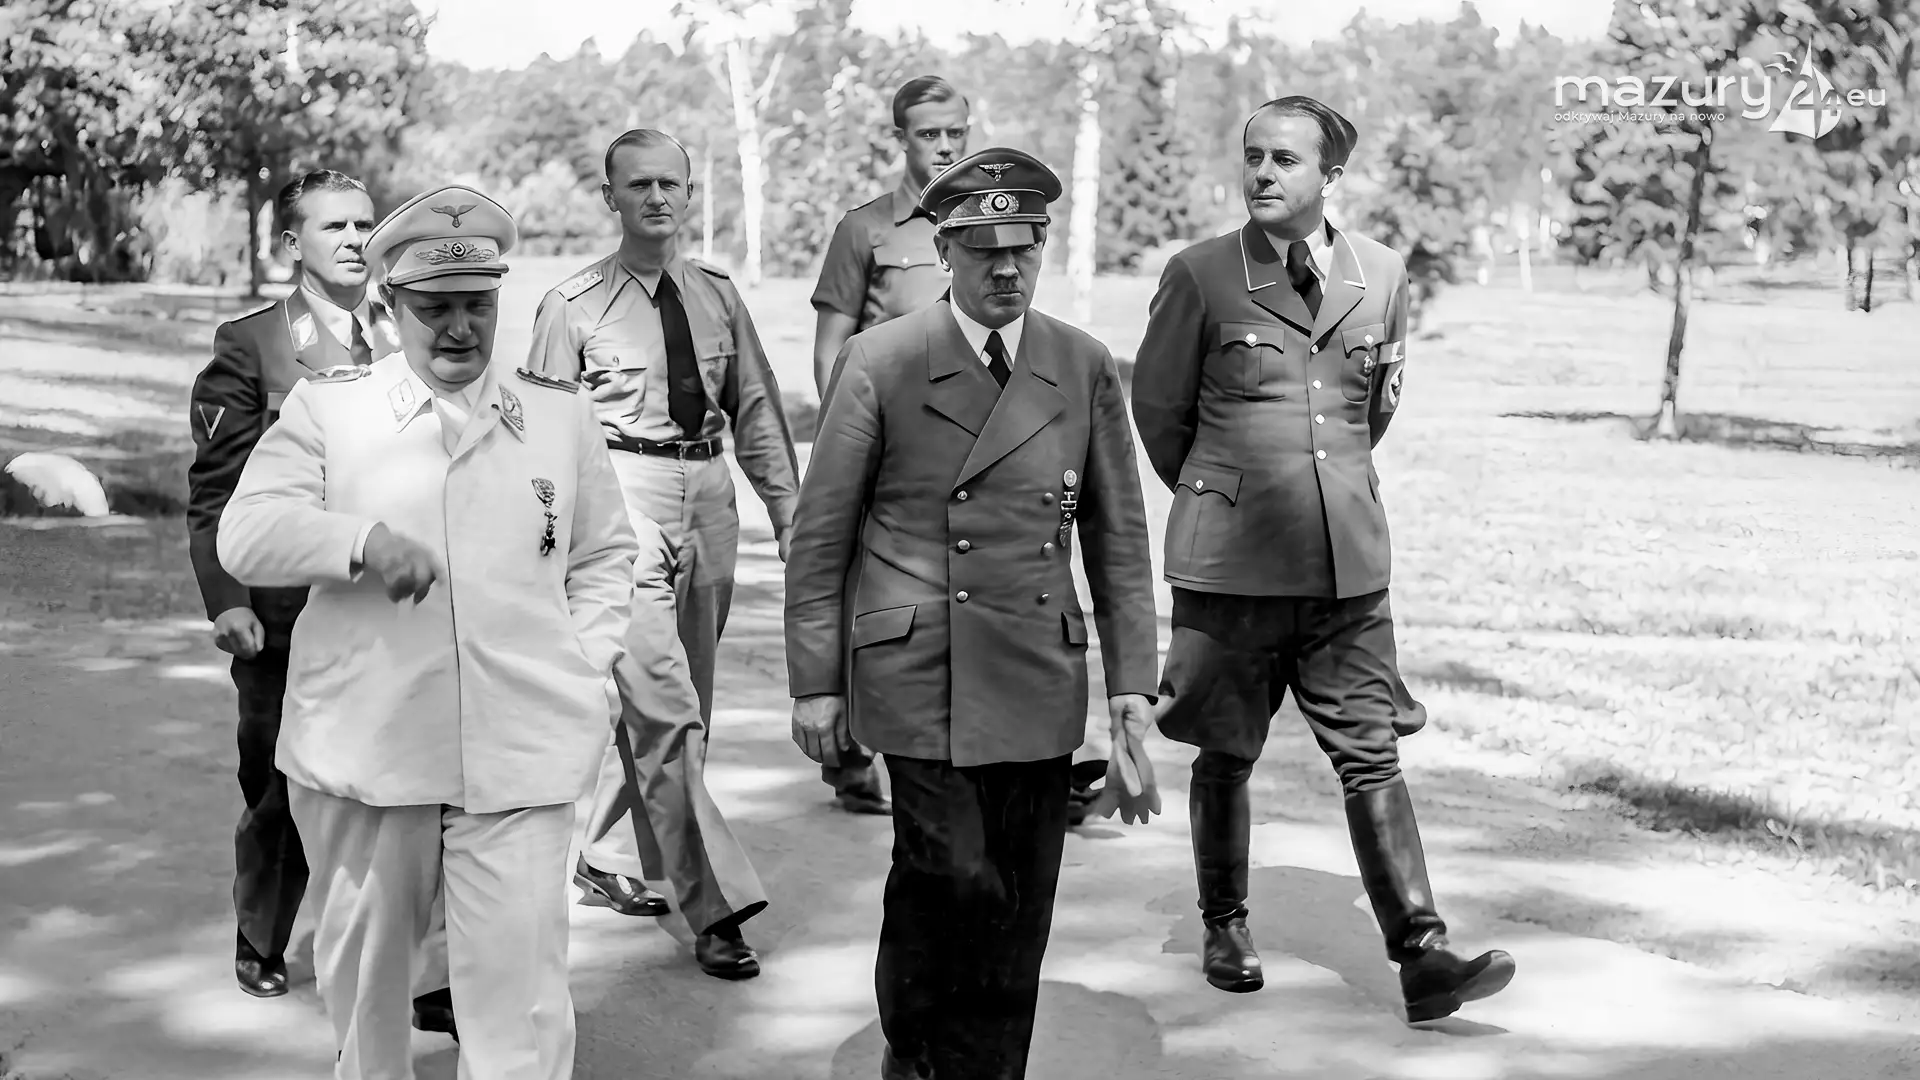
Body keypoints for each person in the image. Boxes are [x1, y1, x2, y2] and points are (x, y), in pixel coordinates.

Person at [216, 184, 638, 1079]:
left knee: (521, 1005)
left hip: (520, 746)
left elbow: (605, 555)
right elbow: (244, 532)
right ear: (391, 305)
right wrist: (359, 541)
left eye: (477, 305)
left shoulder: (556, 415)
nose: (459, 328)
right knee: (368, 1000)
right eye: (434, 308)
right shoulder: (331, 409)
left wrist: (583, 661)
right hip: (372, 752)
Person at [1129, 96, 1513, 1023]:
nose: (1263, 173)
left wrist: (1319, 491)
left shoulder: (1380, 274)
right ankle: (1224, 924)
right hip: (1231, 567)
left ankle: (1423, 955)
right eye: (1253, 155)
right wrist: (1223, 494)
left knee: (1371, 754)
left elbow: (1373, 407)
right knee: (1225, 750)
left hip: (1345, 564)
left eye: (1286, 159)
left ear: (1331, 176)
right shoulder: (1201, 274)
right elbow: (1159, 410)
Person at [785, 147, 1162, 1080]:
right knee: (952, 874)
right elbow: (823, 535)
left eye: (1023, 249)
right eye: (985, 250)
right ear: (944, 251)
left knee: (1019, 903)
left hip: (1036, 667)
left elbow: (1117, 536)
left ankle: (986, 1067)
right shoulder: (882, 359)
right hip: (920, 673)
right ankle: (916, 1048)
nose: (1006, 269)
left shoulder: (1080, 362)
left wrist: (1132, 683)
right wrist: (817, 683)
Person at [185, 168, 452, 1033]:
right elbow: (218, 491)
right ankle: (263, 935)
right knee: (279, 782)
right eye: (333, 226)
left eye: (364, 224)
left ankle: (426, 969)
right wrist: (226, 600)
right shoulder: (255, 345)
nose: (352, 240)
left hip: (397, 607)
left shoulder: (408, 330)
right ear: (291, 243)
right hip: (287, 611)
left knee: (417, 779)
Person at [527, 128, 794, 979]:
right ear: (610, 196)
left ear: (688, 193)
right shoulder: (570, 306)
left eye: (669, 183)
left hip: (709, 494)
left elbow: (756, 409)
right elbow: (539, 443)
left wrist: (788, 515)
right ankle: (713, 905)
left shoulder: (717, 295)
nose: (655, 198)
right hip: (621, 501)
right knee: (666, 706)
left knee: (684, 708)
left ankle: (606, 853)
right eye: (637, 184)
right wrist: (544, 549)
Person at [803, 75, 973, 816]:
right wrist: (846, 439)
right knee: (859, 591)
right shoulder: (866, 229)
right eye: (929, 133)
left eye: (955, 132)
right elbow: (830, 345)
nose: (945, 146)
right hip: (881, 435)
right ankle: (847, 753)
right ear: (900, 138)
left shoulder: (983, 221)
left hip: (967, 443)